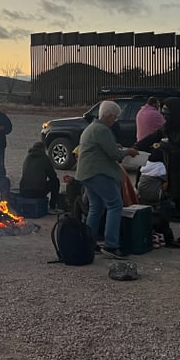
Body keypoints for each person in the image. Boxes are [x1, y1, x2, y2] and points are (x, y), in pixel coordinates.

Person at [135, 97, 180, 247]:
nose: (165, 117)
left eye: (167, 114)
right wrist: (134, 148)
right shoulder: (167, 128)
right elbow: (151, 137)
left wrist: (169, 148)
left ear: (176, 114)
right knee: (179, 206)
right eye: (163, 113)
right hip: (173, 174)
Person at [76, 100, 139, 258]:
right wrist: (128, 152)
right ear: (109, 116)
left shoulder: (92, 128)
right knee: (115, 204)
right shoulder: (102, 130)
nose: (115, 121)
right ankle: (111, 245)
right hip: (98, 173)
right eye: (115, 117)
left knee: (96, 207)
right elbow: (115, 155)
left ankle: (88, 241)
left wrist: (115, 147)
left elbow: (105, 149)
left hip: (86, 173)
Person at [19, 141, 61, 211]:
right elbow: (53, 176)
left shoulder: (27, 157)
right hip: (38, 192)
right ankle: (52, 206)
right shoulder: (44, 158)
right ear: (42, 149)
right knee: (55, 182)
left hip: (24, 192)